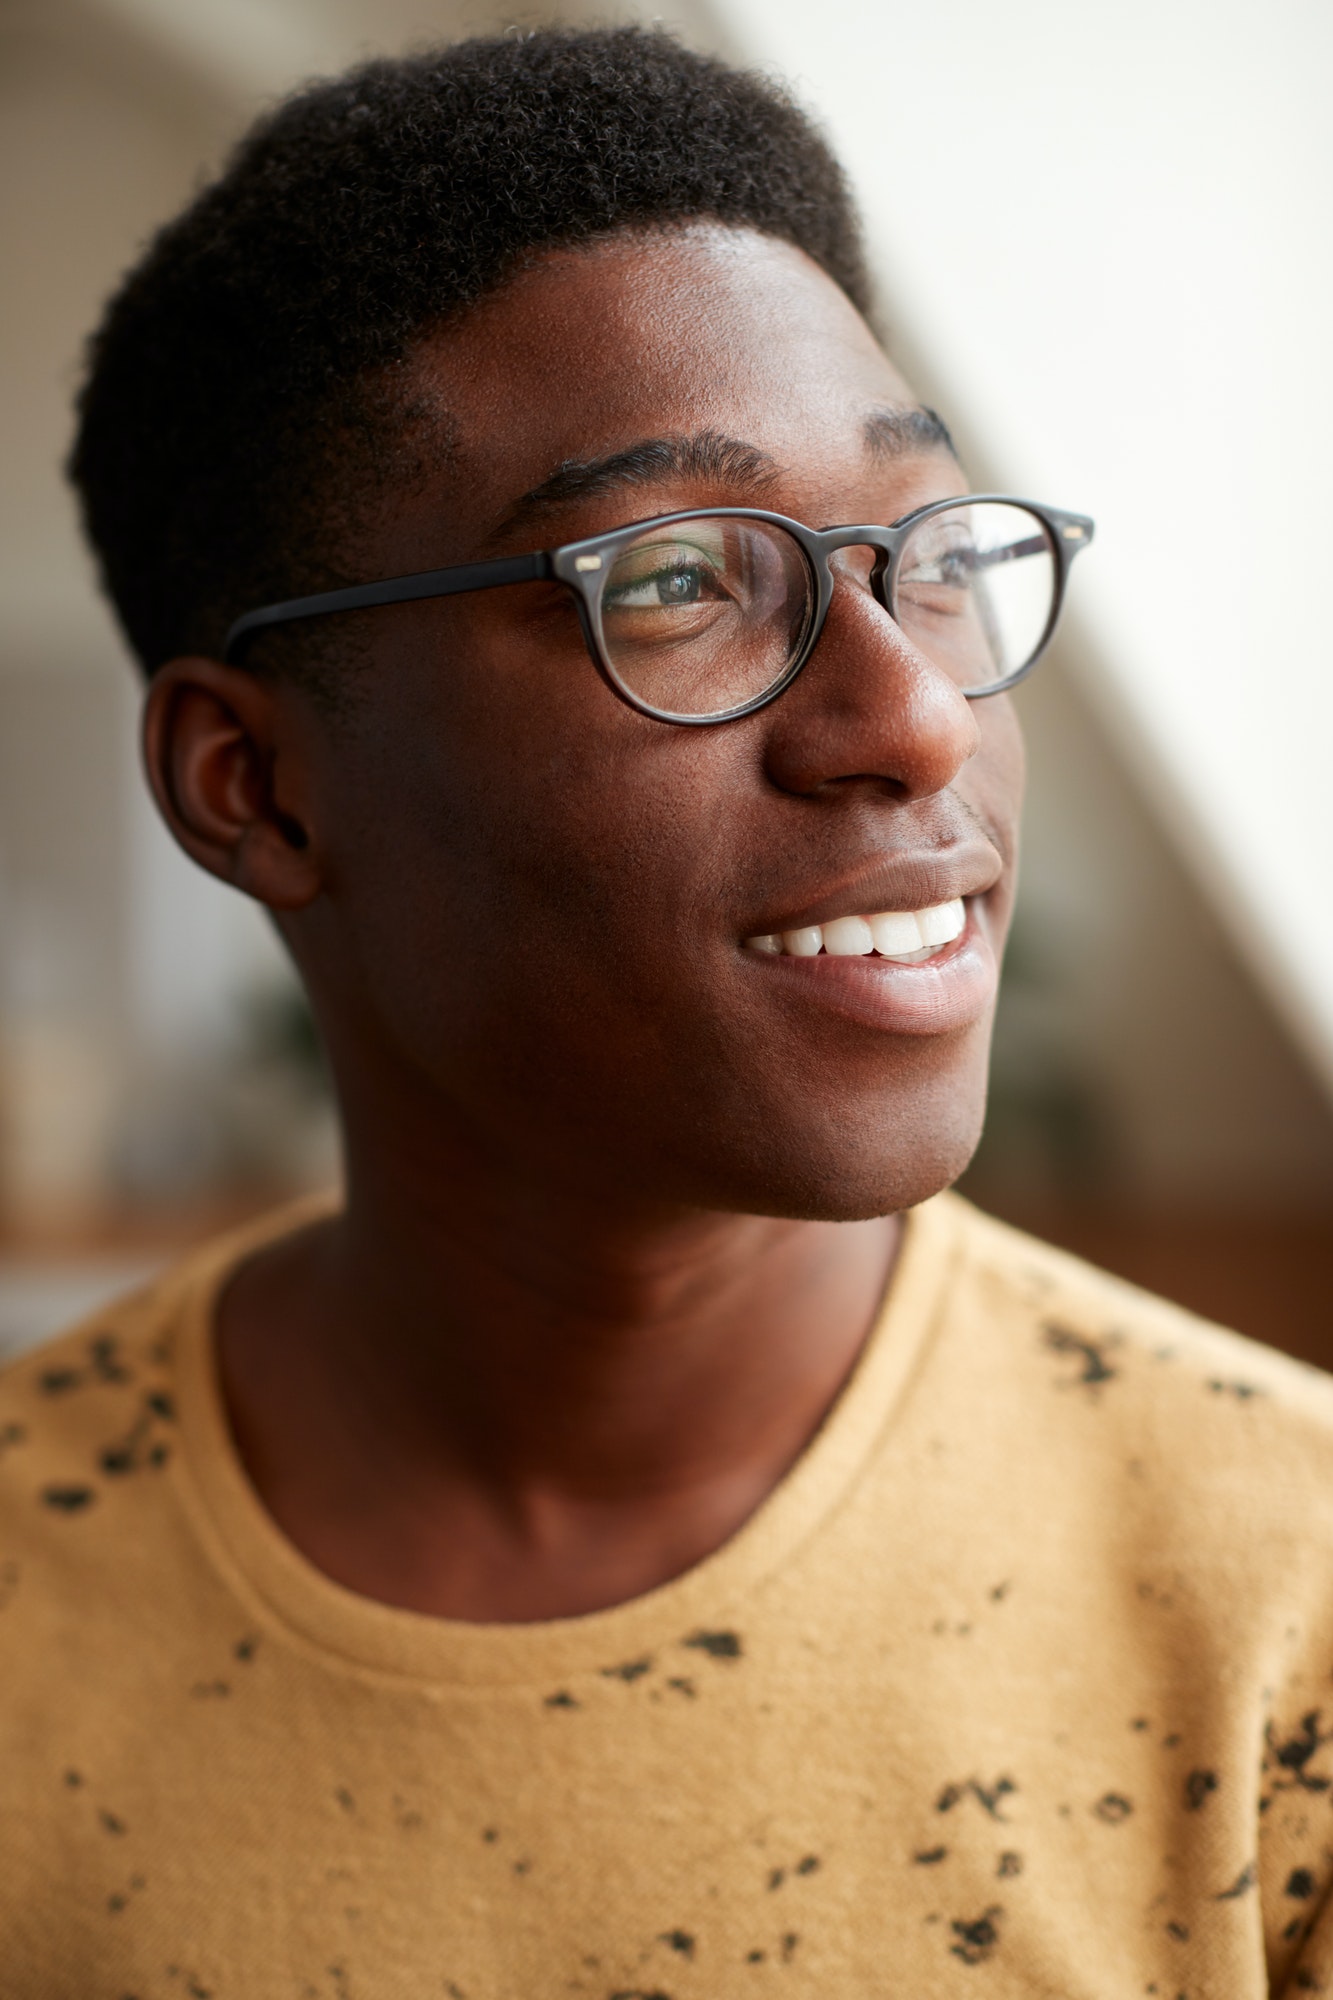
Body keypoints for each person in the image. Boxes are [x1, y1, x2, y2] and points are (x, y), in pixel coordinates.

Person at [3, 26, 1330, 1996]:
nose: (911, 714)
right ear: (257, 789)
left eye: (930, 557)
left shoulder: (1280, 1613)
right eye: (680, 577)